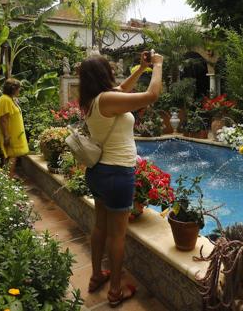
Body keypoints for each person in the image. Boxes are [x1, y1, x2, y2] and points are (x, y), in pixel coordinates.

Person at [79, 50, 163, 307]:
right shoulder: (107, 99)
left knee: (100, 226)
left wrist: (141, 68)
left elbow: (122, 89)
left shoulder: (93, 100)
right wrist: (158, 66)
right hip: (117, 174)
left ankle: (96, 276)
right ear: (104, 73)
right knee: (117, 236)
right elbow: (152, 95)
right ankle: (115, 291)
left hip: (98, 173)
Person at [0, 78, 29, 178]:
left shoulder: (9, 99)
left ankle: (8, 175)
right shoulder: (5, 100)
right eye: (18, 89)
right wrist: (6, 135)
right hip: (10, 134)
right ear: (13, 89)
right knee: (12, 155)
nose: (19, 91)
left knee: (12, 155)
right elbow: (3, 119)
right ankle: (8, 178)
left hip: (15, 134)